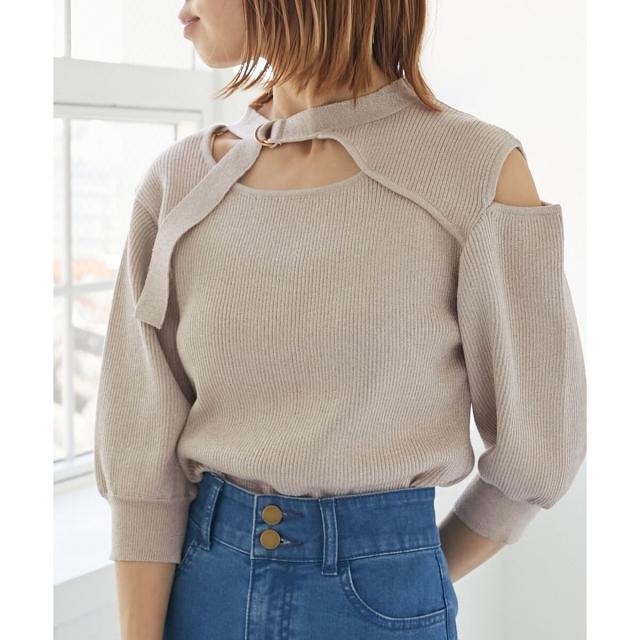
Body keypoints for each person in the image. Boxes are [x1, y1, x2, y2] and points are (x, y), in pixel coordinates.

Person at [93, 1, 587, 639]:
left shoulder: (476, 169)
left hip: (382, 601)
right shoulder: (179, 182)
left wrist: (404, 570)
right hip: (203, 587)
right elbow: (139, 450)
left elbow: (539, 449)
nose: (179, 5)